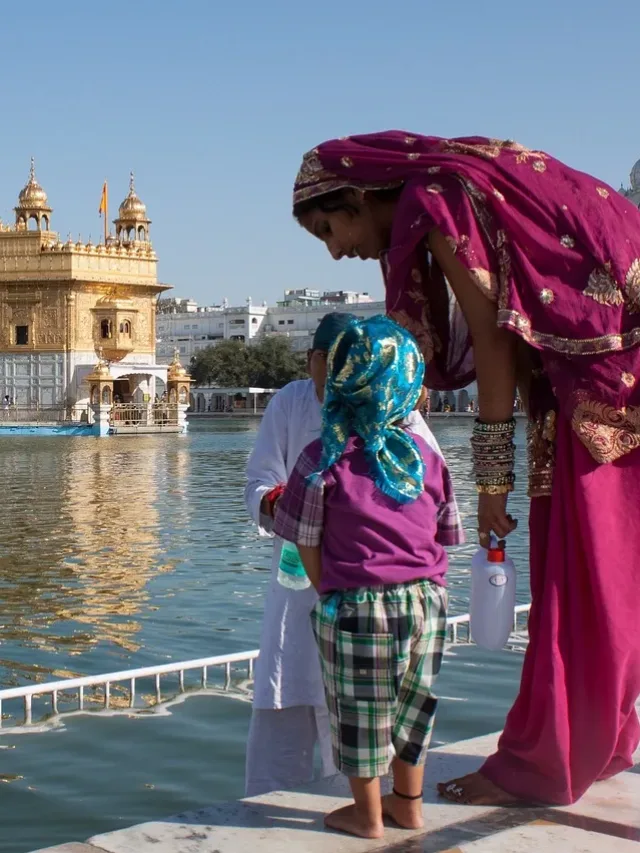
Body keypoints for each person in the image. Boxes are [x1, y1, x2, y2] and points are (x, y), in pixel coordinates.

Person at [291, 132, 640, 807]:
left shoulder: (438, 196)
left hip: (603, 375)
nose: (338, 250)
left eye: (331, 228)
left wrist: (491, 485)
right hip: (601, 370)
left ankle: (548, 761)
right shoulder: (456, 184)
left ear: (363, 194)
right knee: (607, 574)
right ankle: (599, 738)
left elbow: (492, 340)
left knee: (586, 572)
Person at [273, 316, 464, 838]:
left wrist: (330, 590)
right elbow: (447, 533)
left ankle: (369, 815)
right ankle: (410, 805)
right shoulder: (426, 458)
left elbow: (304, 539)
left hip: (356, 604)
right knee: (413, 711)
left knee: (360, 716)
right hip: (427, 601)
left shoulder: (321, 459)